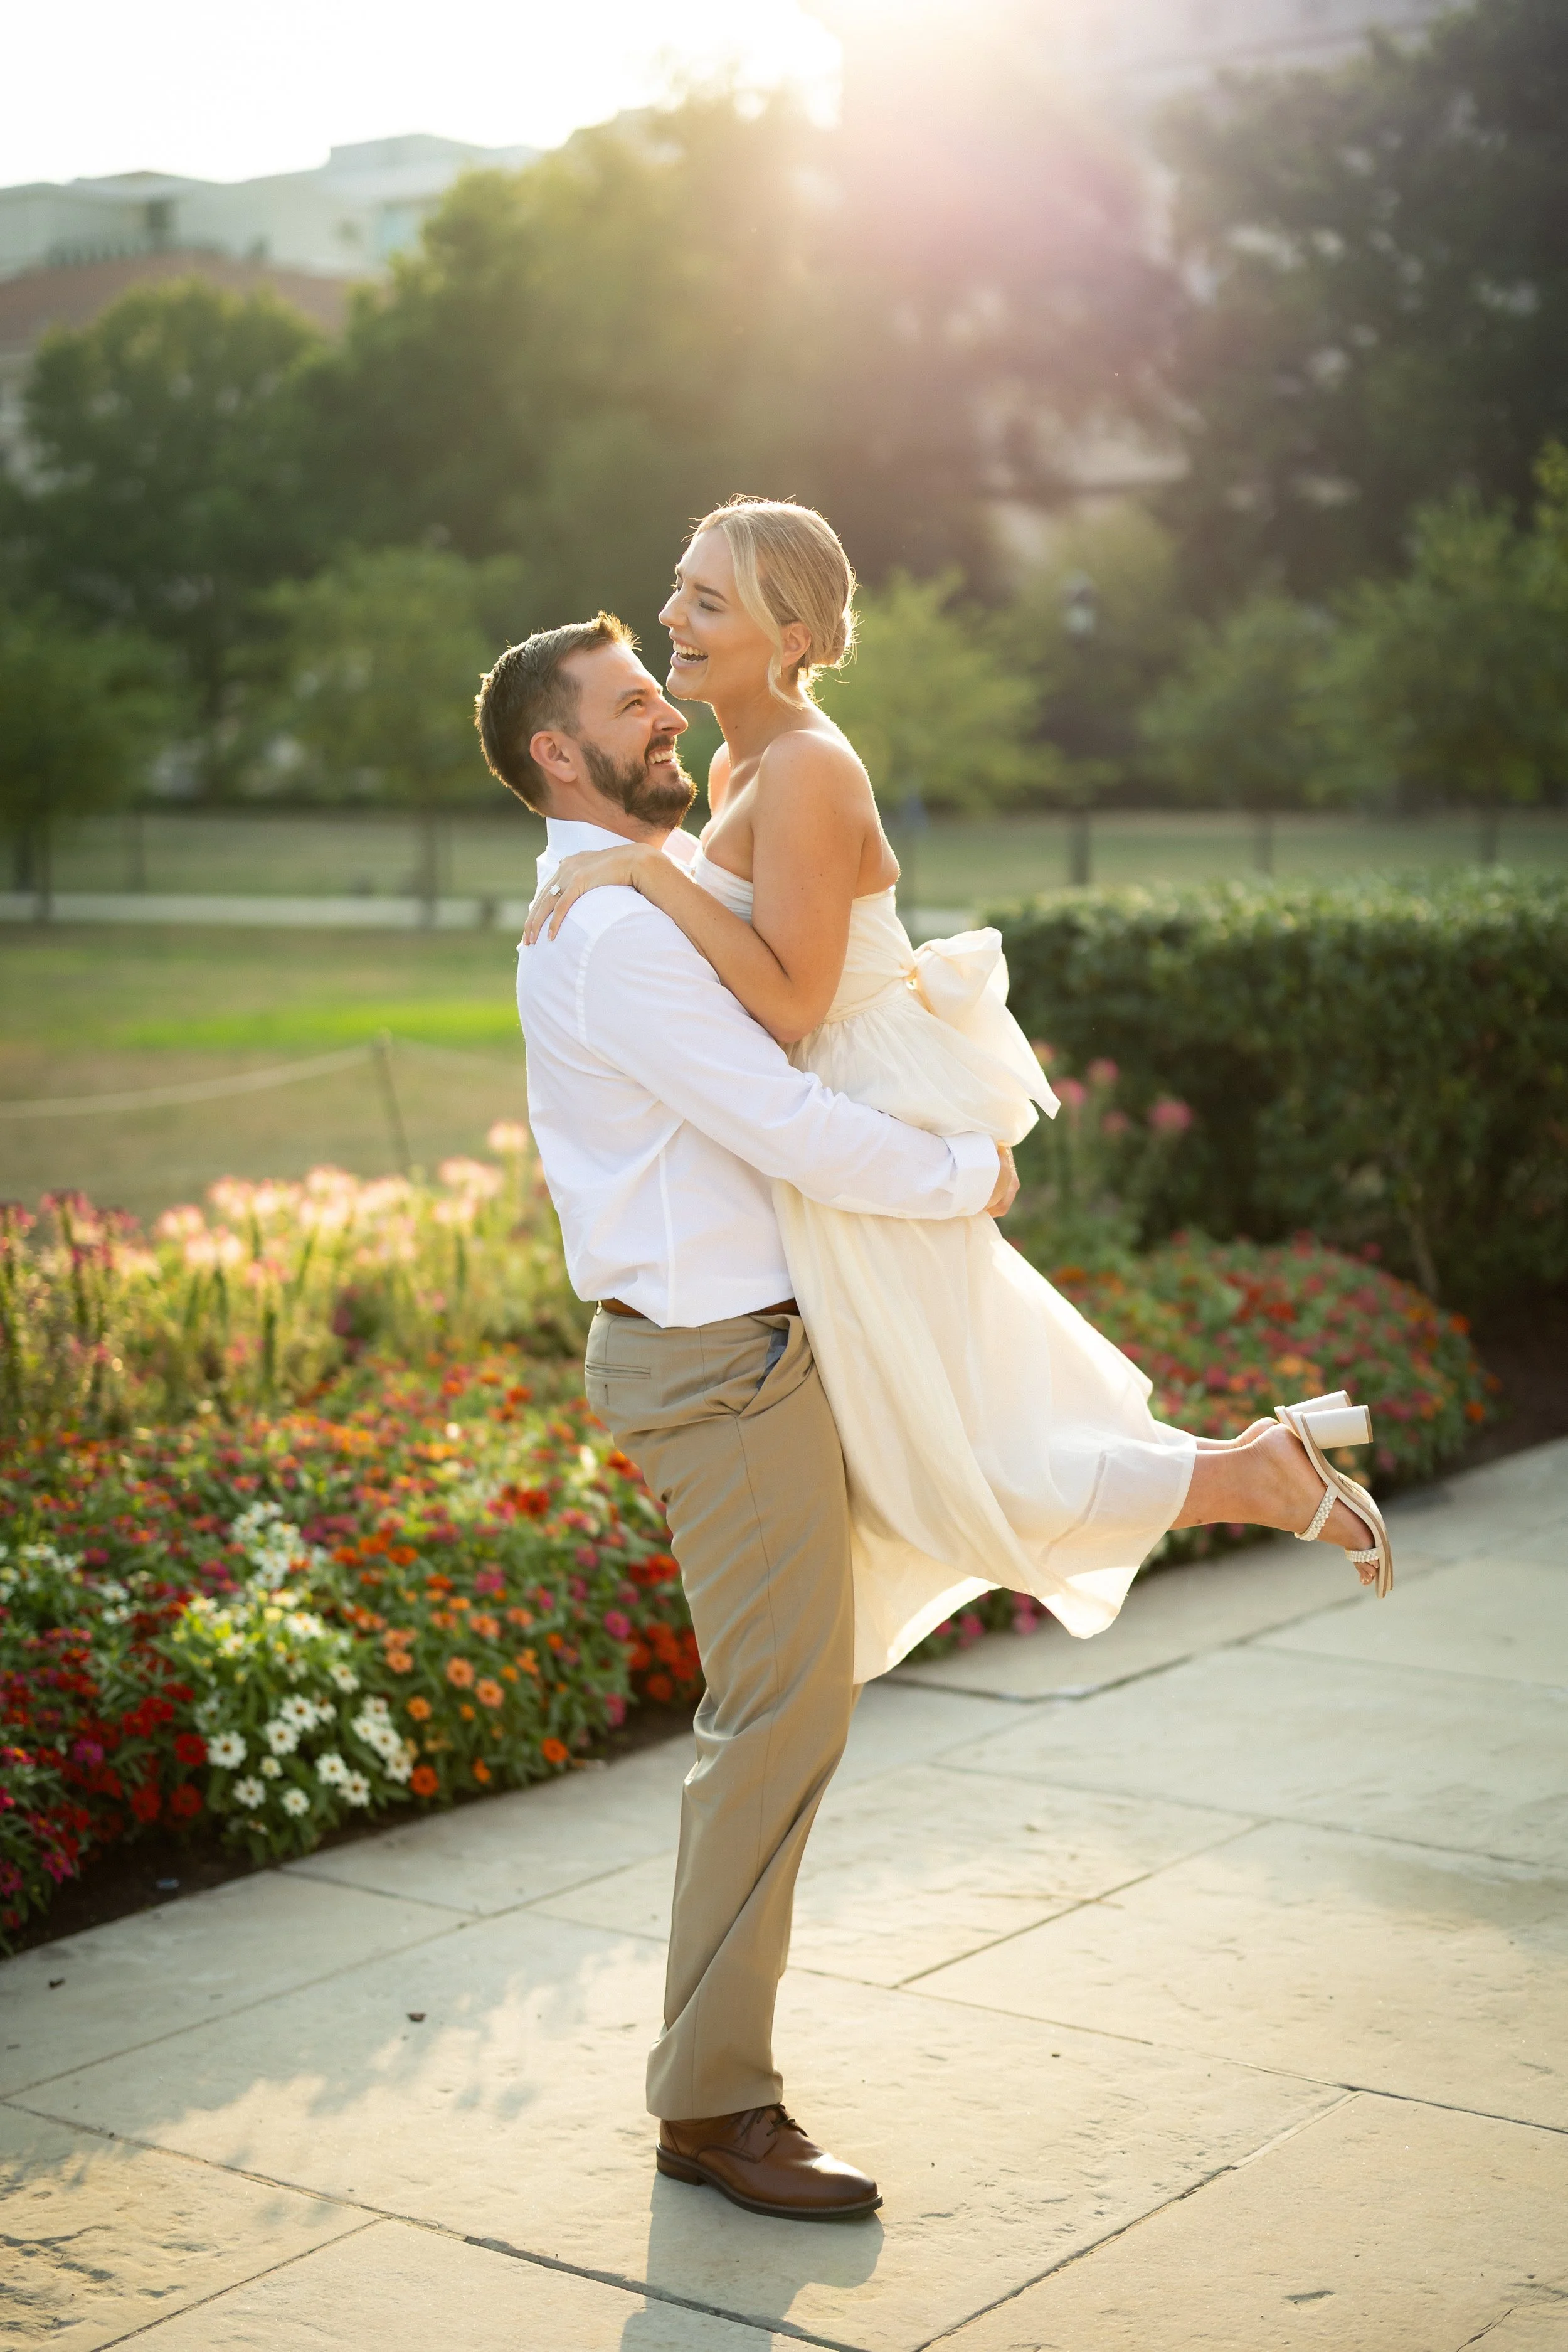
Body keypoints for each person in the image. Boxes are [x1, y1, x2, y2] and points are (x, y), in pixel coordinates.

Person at [479, 587, 1387, 2225]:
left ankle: (1252, 1470)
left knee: (988, 1477)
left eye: (657, 687)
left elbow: (806, 981)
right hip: (719, 1360)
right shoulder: (605, 931)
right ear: (557, 750)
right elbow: (778, 1114)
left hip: (783, 1332)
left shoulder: (640, 890)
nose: (664, 716)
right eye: (630, 706)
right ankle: (713, 2106)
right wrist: (966, 1167)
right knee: (779, 1721)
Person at [519, 498, 1391, 1682]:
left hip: (871, 1104)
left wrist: (649, 877)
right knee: (943, 1452)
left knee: (954, 1460)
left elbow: (788, 1007)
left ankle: (1257, 1478)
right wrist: (647, 869)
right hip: (834, 1121)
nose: (674, 613)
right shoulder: (735, 760)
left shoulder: (812, 768)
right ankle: (1254, 1471)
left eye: (706, 599)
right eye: (681, 585)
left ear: (789, 636)